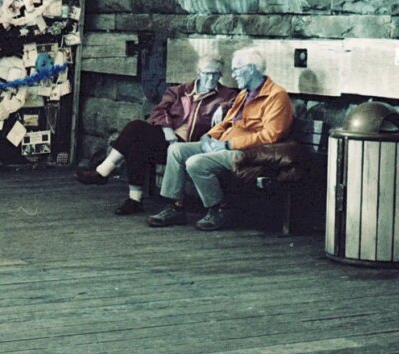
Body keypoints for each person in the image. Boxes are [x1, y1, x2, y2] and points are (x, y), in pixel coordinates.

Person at [148, 47, 295, 231]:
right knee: (176, 150)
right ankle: (176, 206)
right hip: (225, 145)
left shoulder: (276, 96)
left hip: (247, 153)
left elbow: (270, 136)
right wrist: (209, 137)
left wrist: (228, 144)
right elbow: (227, 122)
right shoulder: (244, 93)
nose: (232, 75)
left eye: (235, 69)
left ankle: (219, 209)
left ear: (251, 68)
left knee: (196, 162)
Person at [76, 55, 238, 216]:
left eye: (215, 74)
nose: (211, 78)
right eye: (207, 73)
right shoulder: (180, 90)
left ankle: (109, 177)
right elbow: (159, 111)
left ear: (220, 75)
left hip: (191, 147)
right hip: (168, 140)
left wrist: (222, 108)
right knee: (136, 132)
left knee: (137, 136)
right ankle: (130, 196)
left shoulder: (227, 96)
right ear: (198, 72)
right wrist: (168, 131)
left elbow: (234, 115)